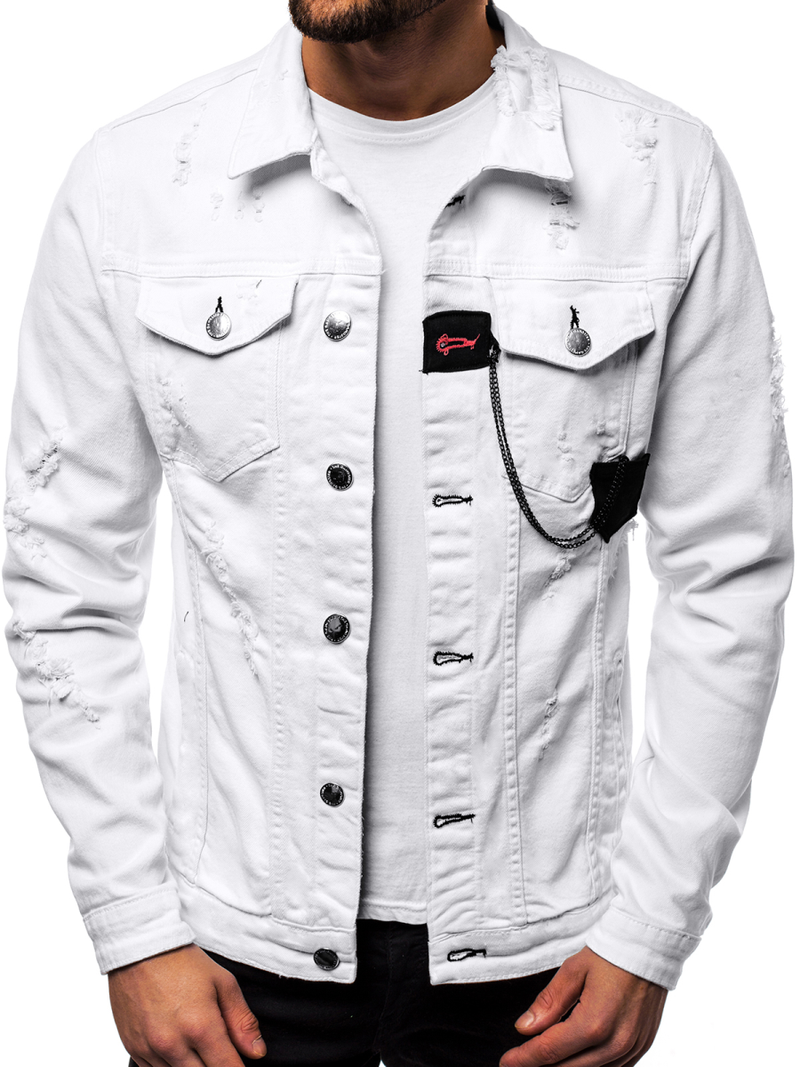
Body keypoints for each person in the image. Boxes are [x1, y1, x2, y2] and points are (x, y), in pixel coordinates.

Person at [2, 0, 793, 1065]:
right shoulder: (137, 181)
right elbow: (63, 572)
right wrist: (134, 923)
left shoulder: (657, 176)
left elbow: (726, 567)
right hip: (229, 954)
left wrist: (651, 924)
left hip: (548, 959)